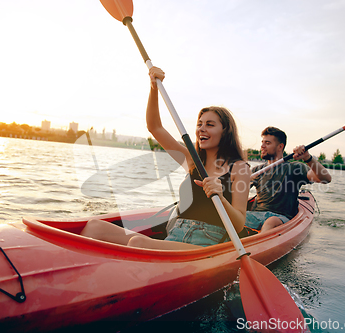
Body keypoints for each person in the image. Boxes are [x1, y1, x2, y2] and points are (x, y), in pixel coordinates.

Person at [81, 67, 251, 249]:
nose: (201, 129)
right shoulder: (191, 160)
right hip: (176, 235)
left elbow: (239, 223)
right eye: (199, 124)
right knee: (94, 227)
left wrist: (220, 197)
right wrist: (154, 88)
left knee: (137, 242)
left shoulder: (239, 168)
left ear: (225, 131)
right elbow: (155, 127)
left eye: (210, 125)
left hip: (207, 243)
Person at [245, 126, 331, 233]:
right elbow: (238, 190)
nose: (262, 146)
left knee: (271, 222)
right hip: (255, 216)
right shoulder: (257, 170)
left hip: (281, 218)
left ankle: (256, 246)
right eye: (262, 142)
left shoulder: (295, 168)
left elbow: (325, 179)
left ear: (280, 146)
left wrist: (307, 158)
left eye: (267, 143)